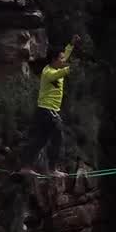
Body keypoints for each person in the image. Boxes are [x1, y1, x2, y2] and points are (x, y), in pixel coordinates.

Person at [22, 34, 80, 176]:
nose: (63, 61)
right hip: (48, 110)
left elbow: (64, 57)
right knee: (58, 138)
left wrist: (71, 44)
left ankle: (26, 167)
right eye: (60, 59)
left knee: (41, 139)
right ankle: (52, 169)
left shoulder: (55, 66)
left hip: (46, 111)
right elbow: (60, 73)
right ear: (54, 60)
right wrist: (70, 68)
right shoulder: (48, 72)